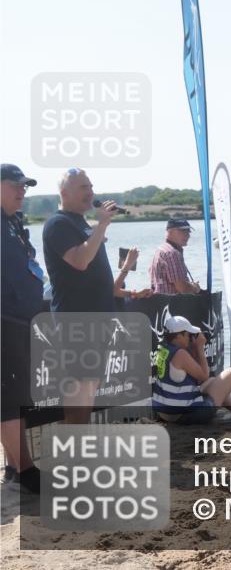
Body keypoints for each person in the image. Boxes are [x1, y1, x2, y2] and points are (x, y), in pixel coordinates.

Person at [42, 169, 118, 424]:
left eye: (91, 186)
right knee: (78, 391)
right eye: (83, 187)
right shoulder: (58, 223)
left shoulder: (82, 223)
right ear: (64, 193)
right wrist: (102, 224)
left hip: (97, 320)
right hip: (76, 322)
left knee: (89, 389)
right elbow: (80, 261)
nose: (91, 192)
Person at [1, 164, 44, 494]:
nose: (22, 192)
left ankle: (17, 467)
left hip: (20, 319)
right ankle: (24, 470)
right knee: (10, 397)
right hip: (5, 320)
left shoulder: (13, 223)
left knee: (15, 397)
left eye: (25, 187)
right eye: (16, 185)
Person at [151, 315, 231, 426]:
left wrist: (194, 348)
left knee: (213, 381)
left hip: (165, 412)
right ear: (179, 336)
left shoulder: (163, 348)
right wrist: (200, 347)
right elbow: (204, 376)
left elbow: (196, 375)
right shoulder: (180, 354)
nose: (190, 337)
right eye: (188, 334)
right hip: (183, 415)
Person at [149, 219, 201, 295]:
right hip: (173, 304)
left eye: (188, 231)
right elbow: (182, 288)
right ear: (170, 232)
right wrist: (195, 288)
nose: (188, 235)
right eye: (183, 231)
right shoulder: (172, 253)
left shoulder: (160, 250)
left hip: (160, 303)